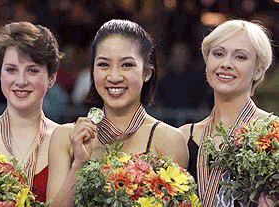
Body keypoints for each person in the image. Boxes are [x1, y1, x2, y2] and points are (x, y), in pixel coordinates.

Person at [46, 19, 189, 206]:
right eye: (104, 65)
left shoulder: (169, 140)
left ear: (147, 72)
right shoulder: (66, 137)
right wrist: (79, 164)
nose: (114, 77)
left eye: (127, 65)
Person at [178, 19, 276, 207]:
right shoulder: (182, 137)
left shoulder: (274, 133)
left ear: (258, 71)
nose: (226, 64)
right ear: (207, 64)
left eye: (240, 57)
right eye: (218, 54)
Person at [0, 21, 63, 202]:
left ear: (52, 78)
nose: (21, 81)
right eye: (11, 70)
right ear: (0, 74)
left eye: (32, 70)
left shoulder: (66, 140)